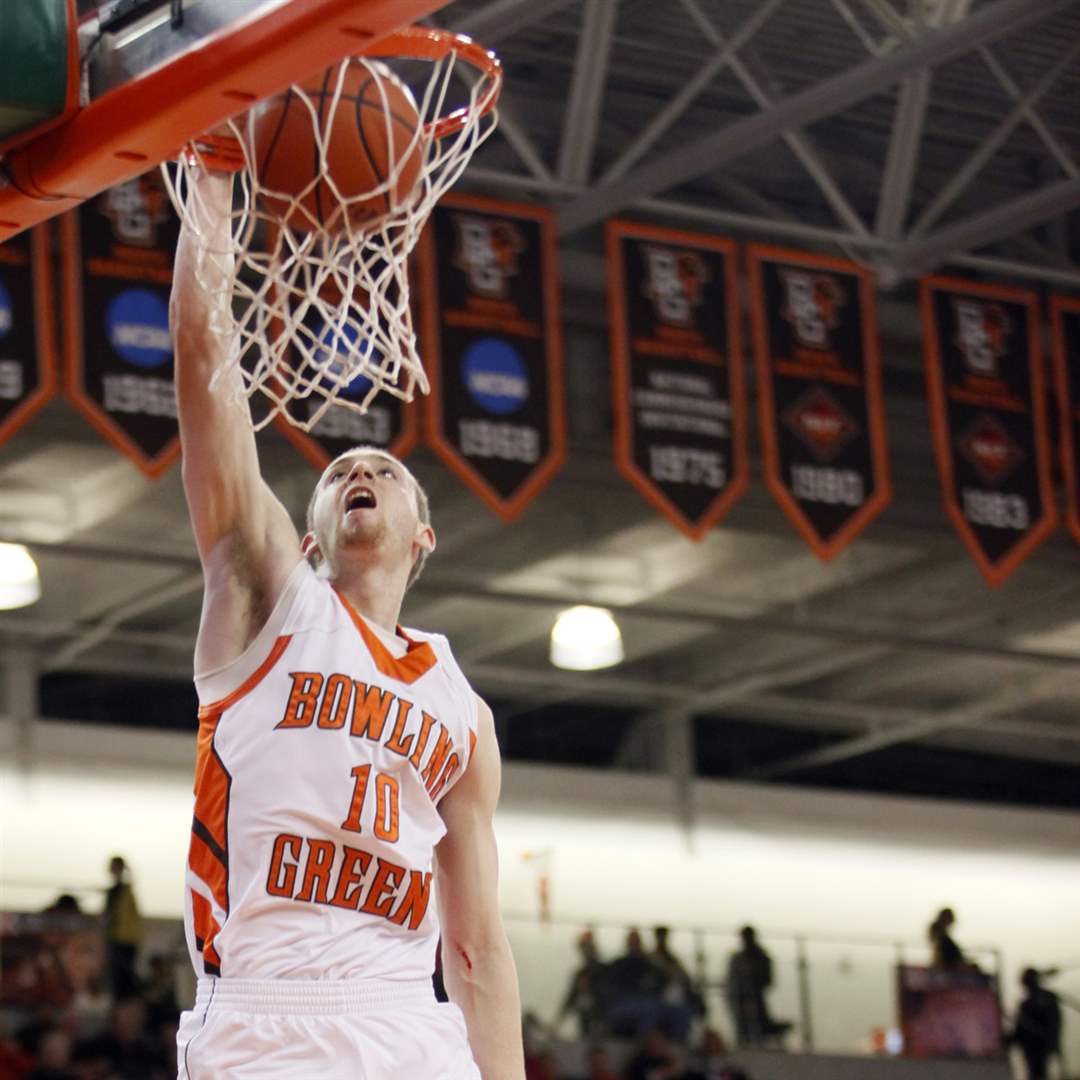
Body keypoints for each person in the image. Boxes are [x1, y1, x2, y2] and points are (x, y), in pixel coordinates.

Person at [170, 170, 524, 1078]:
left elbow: (477, 951)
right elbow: (204, 355)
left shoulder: (464, 715)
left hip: (407, 1021)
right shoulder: (267, 600)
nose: (359, 469)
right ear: (310, 533)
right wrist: (212, 187)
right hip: (262, 1017)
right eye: (337, 472)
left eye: (387, 470)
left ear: (424, 537)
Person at [725, 926, 782, 1048]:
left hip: (754, 999)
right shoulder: (738, 958)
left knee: (752, 1023)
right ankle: (746, 1041)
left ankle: (752, 1041)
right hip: (741, 998)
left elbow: (767, 981)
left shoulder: (760, 957)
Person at [1007, 969, 1062, 1080]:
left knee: (1038, 1072)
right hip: (1033, 1048)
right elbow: (1019, 1031)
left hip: (1040, 1047)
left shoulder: (1046, 999)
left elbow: (1054, 1023)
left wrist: (1052, 1042)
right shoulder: (1026, 1004)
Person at [554, 929, 609, 1038]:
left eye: (588, 946)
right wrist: (557, 1023)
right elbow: (570, 999)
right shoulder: (580, 974)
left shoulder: (604, 970)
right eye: (584, 947)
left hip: (602, 1018)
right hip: (588, 1021)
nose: (586, 951)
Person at [102, 856, 142, 998]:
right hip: (119, 938)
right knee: (119, 979)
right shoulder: (118, 891)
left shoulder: (124, 891)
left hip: (125, 939)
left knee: (124, 979)